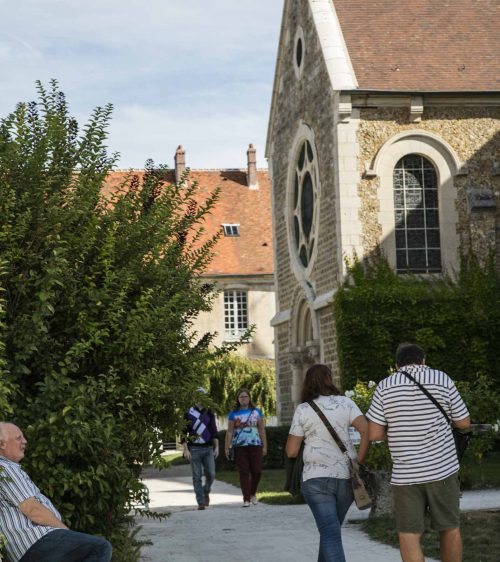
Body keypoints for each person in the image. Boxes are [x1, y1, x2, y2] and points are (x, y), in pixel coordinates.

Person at [366, 343, 471, 562]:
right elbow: (463, 422)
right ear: (423, 360)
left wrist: (398, 431)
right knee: (450, 528)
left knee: (408, 534)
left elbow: (374, 434)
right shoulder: (442, 379)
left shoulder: (385, 386)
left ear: (397, 365)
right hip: (443, 470)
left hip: (406, 475)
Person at [286, 364, 369, 562]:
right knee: (331, 531)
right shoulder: (346, 403)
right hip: (346, 478)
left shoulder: (303, 409)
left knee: (330, 533)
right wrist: (359, 461)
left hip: (316, 480)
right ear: (329, 379)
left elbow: (291, 451)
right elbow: (367, 431)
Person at [0, 422, 112, 562]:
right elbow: (33, 510)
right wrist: (64, 531)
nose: (25, 441)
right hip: (35, 541)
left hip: (29, 548)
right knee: (100, 547)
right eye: (18, 438)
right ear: (2, 444)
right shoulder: (6, 469)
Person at [224, 388, 267, 507]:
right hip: (240, 446)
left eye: (245, 396)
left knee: (257, 471)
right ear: (238, 399)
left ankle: (252, 493)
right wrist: (227, 448)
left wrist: (264, 446)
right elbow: (229, 432)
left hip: (255, 444)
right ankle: (246, 498)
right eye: (241, 397)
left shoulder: (256, 412)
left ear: (249, 398)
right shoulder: (233, 413)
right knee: (243, 472)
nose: (243, 399)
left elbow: (262, 429)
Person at [182, 387, 219, 510]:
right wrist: (185, 449)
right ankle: (200, 502)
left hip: (208, 448)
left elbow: (214, 431)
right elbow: (183, 432)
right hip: (194, 449)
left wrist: (217, 447)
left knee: (211, 474)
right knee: (196, 476)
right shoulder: (188, 412)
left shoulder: (209, 413)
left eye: (202, 395)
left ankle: (205, 491)